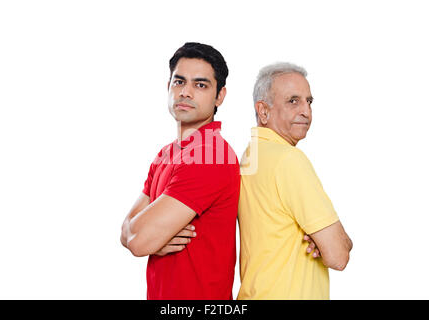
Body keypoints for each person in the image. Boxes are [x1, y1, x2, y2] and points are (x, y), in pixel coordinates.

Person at [120, 42, 240, 300]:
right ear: (168, 87)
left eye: (200, 85)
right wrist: (149, 238)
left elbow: (138, 240)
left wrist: (146, 237)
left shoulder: (211, 157)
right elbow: (127, 232)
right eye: (179, 82)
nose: (185, 92)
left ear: (220, 96)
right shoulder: (167, 153)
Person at [237, 62, 353, 300]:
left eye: (309, 101)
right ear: (263, 111)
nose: (306, 111)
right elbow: (338, 256)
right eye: (293, 101)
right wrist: (339, 241)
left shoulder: (251, 155)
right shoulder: (289, 160)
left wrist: (324, 241)